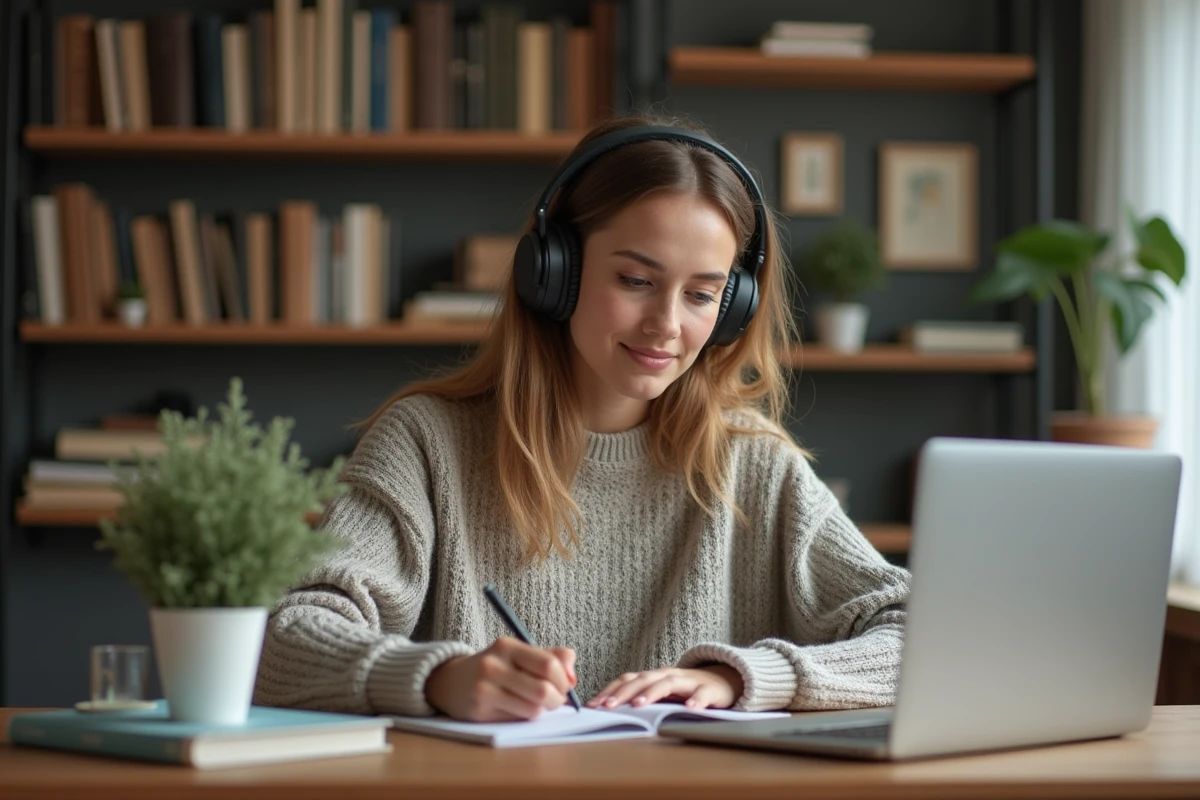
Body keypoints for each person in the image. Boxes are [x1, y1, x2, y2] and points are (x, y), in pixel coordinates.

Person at [254, 114, 911, 722]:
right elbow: (284, 643)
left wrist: (745, 677)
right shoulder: (426, 443)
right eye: (635, 281)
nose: (666, 325)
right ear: (554, 273)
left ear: (731, 308)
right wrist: (437, 678)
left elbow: (918, 634)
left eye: (701, 294)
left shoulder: (755, 464)